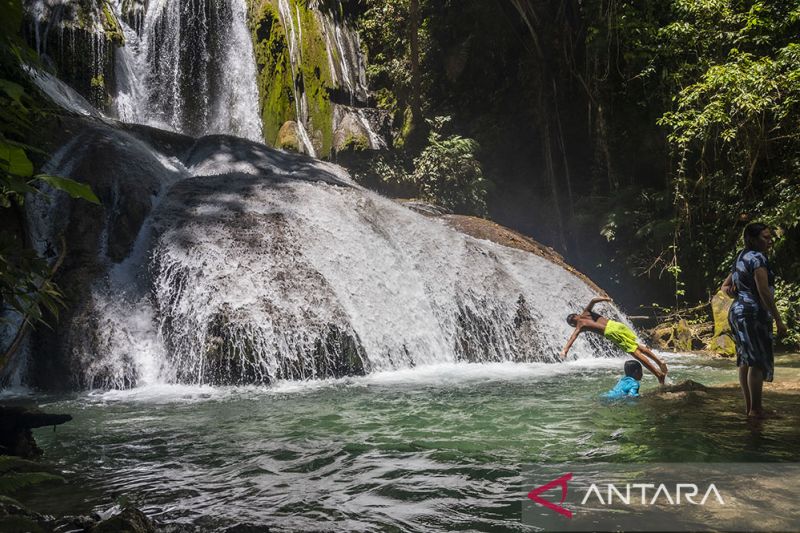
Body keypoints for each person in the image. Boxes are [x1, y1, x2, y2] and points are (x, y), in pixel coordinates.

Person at [721, 222, 787, 418]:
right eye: (765, 238)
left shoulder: (741, 256)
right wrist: (778, 319)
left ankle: (750, 407)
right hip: (753, 313)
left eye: (769, 237)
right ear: (752, 239)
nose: (770, 241)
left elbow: (725, 287)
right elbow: (764, 292)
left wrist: (734, 294)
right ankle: (756, 410)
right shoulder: (758, 258)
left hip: (737, 312)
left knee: (745, 359)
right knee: (756, 360)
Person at [561, 296, 668, 384]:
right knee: (636, 345)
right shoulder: (585, 312)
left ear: (572, 322)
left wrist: (565, 350)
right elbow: (593, 300)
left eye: (572, 325)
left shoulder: (580, 325)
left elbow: (572, 337)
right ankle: (659, 361)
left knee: (635, 353)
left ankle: (659, 375)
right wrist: (606, 298)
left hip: (611, 333)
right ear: (576, 315)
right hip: (616, 325)